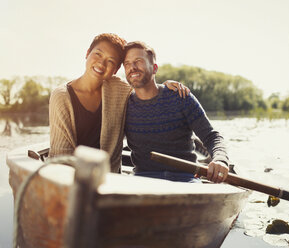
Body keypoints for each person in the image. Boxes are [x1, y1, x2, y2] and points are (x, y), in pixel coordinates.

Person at [49, 33, 188, 173]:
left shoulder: (119, 89)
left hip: (111, 179)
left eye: (110, 61)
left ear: (115, 70)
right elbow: (62, 156)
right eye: (98, 54)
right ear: (87, 53)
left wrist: (165, 86)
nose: (102, 64)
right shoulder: (61, 96)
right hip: (69, 178)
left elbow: (145, 86)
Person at [123, 41, 229, 183]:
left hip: (185, 179)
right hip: (142, 179)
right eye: (127, 63)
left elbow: (212, 136)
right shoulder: (123, 104)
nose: (132, 67)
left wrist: (220, 160)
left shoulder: (180, 96)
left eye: (138, 61)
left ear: (154, 69)